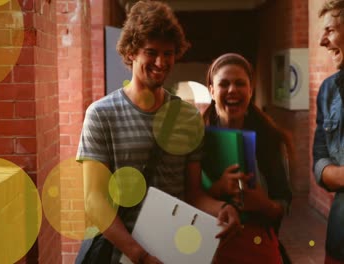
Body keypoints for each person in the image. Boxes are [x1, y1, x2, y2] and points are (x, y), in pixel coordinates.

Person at [76, 1, 240, 263]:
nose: (161, 62)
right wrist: (138, 255)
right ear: (131, 53)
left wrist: (223, 208)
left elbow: (193, 194)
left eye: (169, 53)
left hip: (175, 251)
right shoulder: (101, 114)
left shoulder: (187, 117)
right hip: (122, 254)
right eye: (151, 52)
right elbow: (94, 201)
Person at [202, 53, 292, 264]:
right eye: (224, 84)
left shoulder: (271, 140)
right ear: (212, 91)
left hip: (257, 248)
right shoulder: (196, 141)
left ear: (250, 91)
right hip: (209, 248)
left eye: (240, 83)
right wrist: (217, 189)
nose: (232, 90)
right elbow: (185, 196)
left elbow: (284, 203)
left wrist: (264, 204)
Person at [314, 1, 344, 262]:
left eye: (330, 30)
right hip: (340, 227)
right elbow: (319, 160)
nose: (322, 41)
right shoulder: (328, 91)